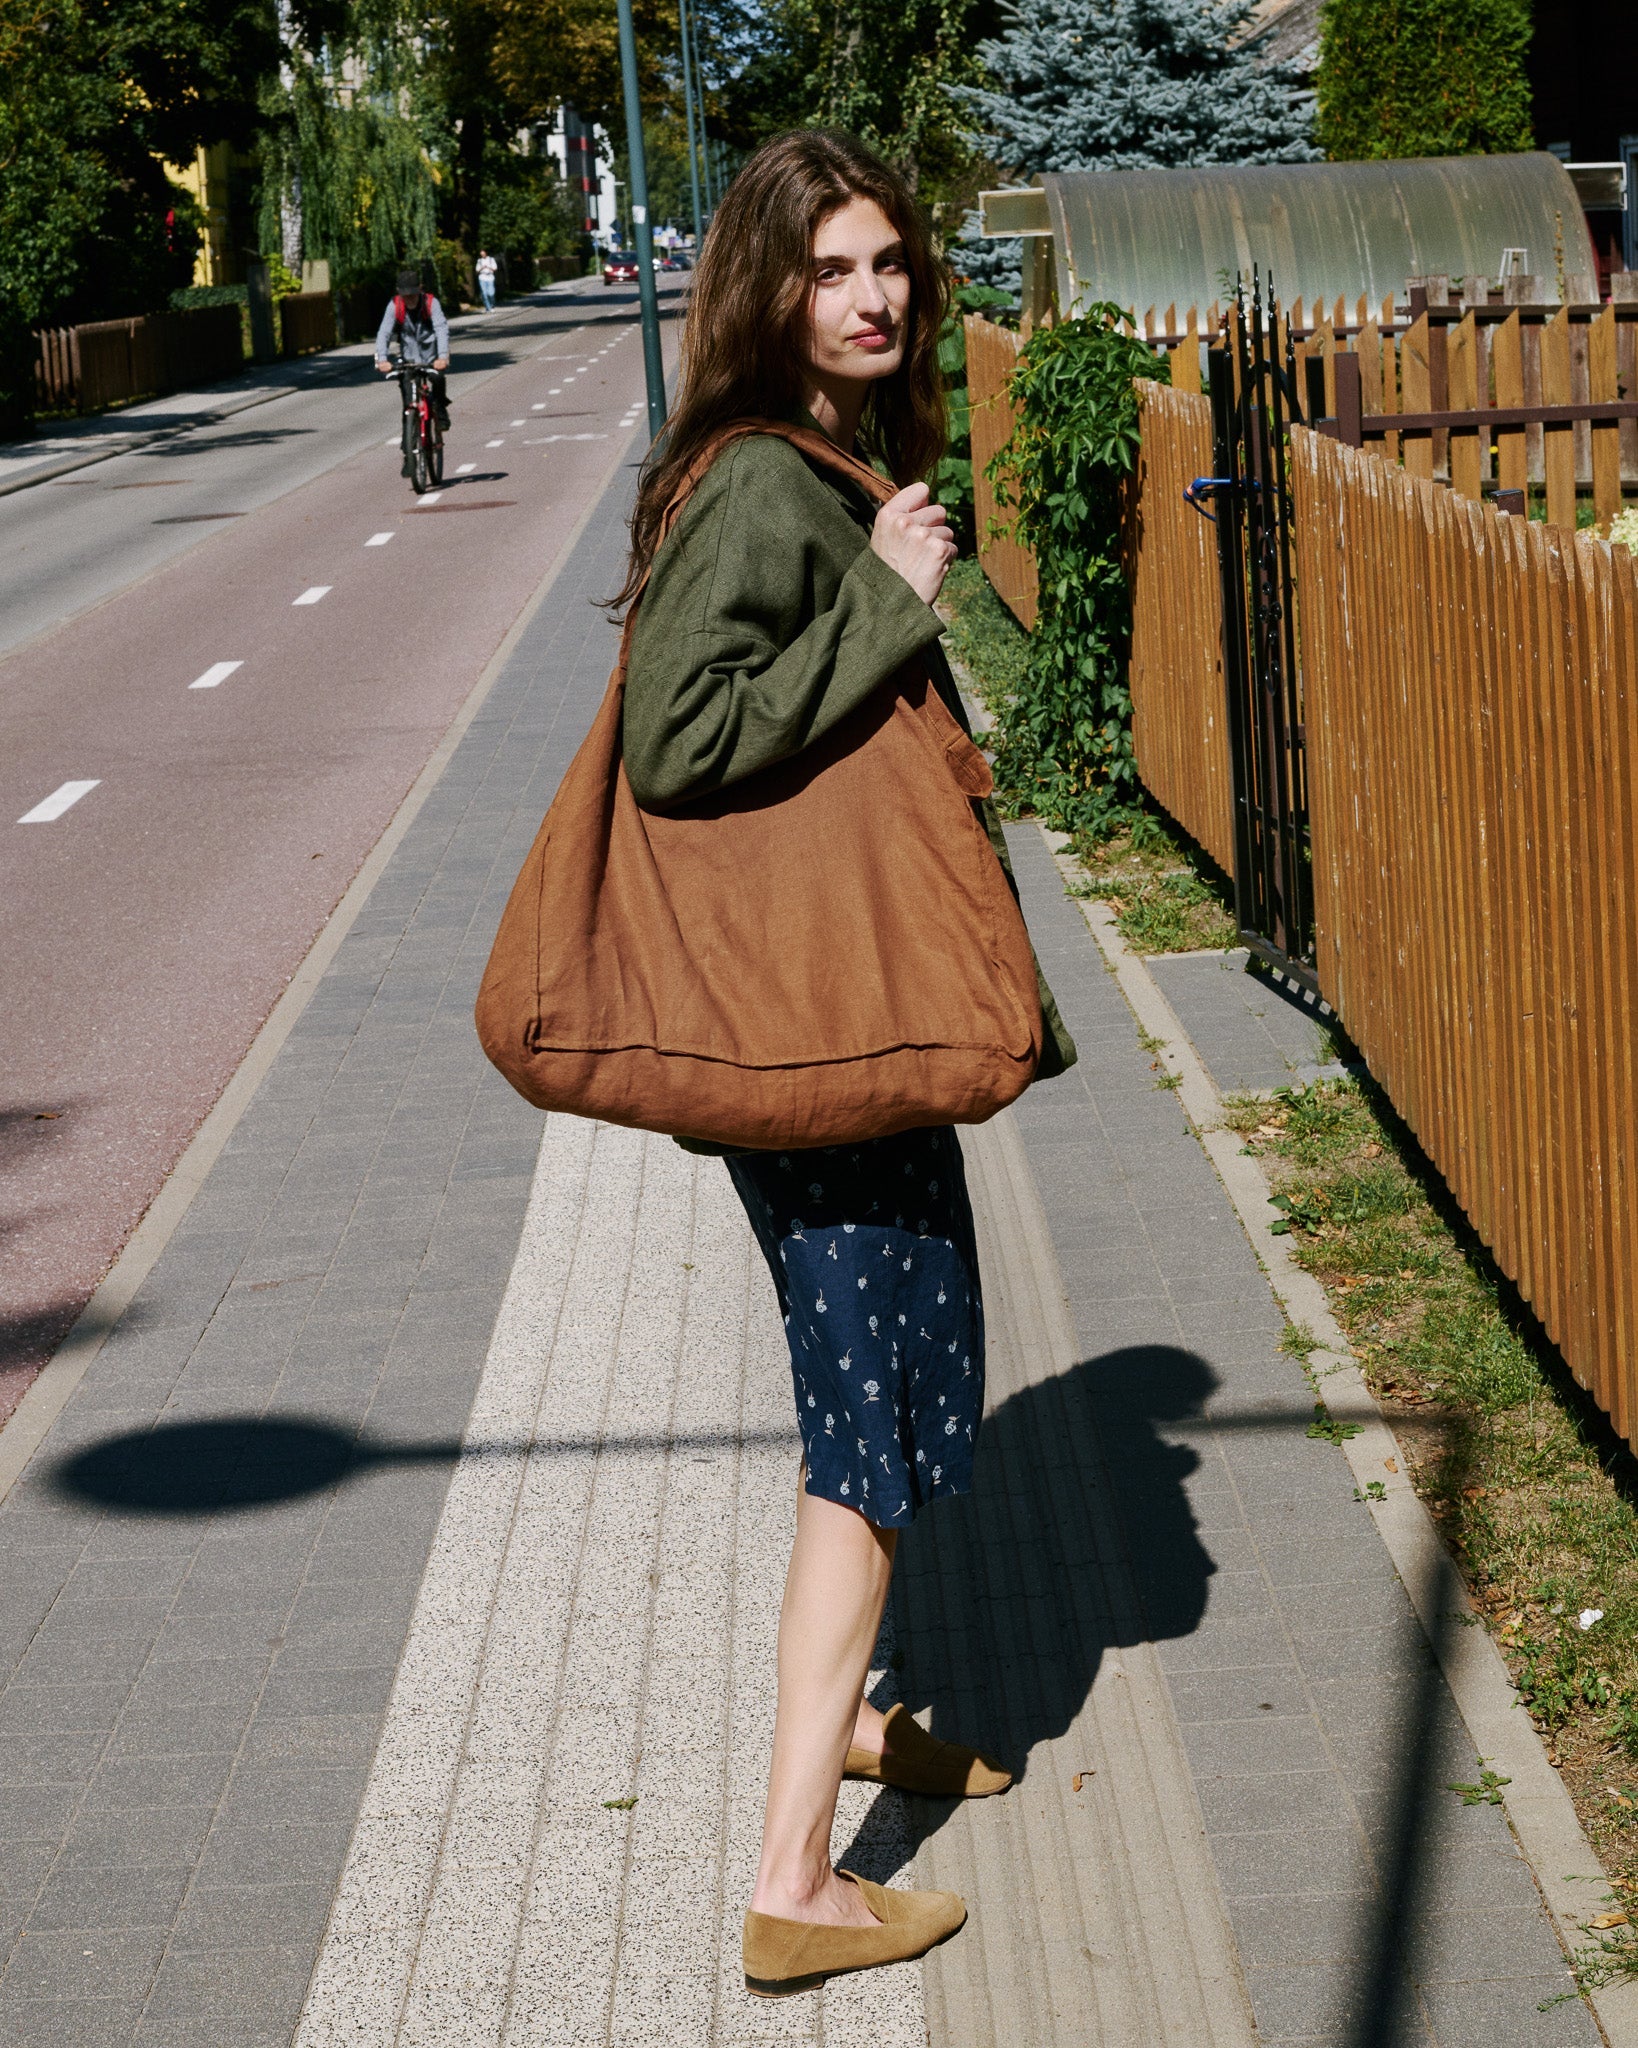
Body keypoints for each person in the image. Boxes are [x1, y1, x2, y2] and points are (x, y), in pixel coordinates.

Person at [617, 130, 1077, 1999]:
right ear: (768, 289)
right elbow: (675, 737)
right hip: (819, 1027)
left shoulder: (817, 458)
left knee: (871, 1396)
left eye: (887, 262)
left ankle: (863, 1717)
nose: (873, 297)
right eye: (830, 271)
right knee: (864, 1446)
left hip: (841, 1019)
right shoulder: (755, 481)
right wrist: (885, 596)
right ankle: (795, 1882)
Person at [374, 267, 450, 469]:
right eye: (405, 295)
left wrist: (443, 356)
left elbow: (441, 329)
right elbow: (383, 333)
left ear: (420, 289)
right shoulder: (395, 305)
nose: (409, 299)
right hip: (408, 357)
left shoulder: (431, 303)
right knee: (409, 403)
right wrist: (382, 359)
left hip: (431, 356)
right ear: (399, 293)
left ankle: (440, 409)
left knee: (438, 378)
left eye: (412, 294)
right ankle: (408, 454)